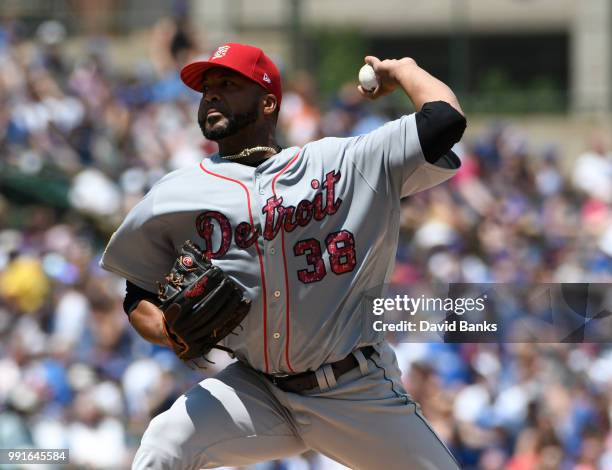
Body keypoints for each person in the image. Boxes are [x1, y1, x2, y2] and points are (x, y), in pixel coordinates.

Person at [101, 42, 466, 469]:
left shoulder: (341, 162)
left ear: (269, 102)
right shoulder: (175, 193)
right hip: (258, 391)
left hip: (354, 391)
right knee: (166, 440)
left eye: (228, 84)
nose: (212, 94)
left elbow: (444, 119)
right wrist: (167, 329)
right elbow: (137, 293)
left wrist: (403, 69)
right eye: (207, 88)